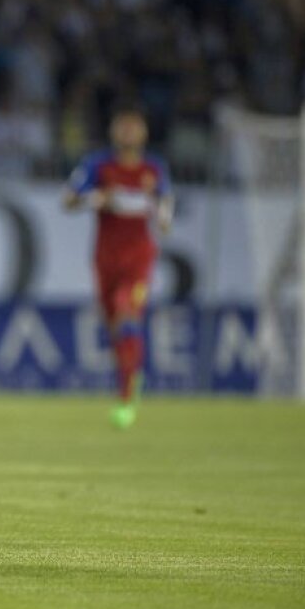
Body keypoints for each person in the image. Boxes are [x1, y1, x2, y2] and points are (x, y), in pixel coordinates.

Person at [63, 106, 174, 428]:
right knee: (115, 329)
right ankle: (128, 378)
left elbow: (165, 209)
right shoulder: (98, 165)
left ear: (143, 133)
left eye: (133, 127)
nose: (127, 132)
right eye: (122, 126)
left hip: (139, 258)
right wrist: (96, 199)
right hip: (105, 258)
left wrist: (162, 214)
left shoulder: (153, 169)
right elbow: (68, 200)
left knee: (127, 312)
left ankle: (127, 398)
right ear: (113, 131)